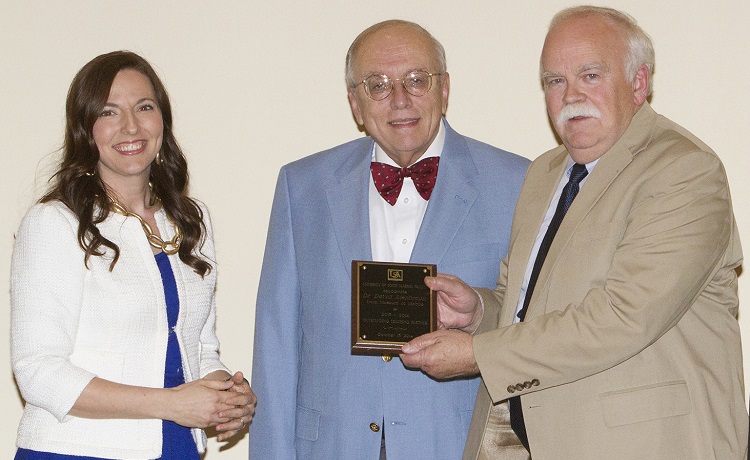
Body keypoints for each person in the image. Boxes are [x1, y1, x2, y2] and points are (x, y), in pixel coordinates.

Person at [401, 6, 746, 459]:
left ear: (639, 83)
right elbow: (527, 304)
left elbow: (622, 317)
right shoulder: (545, 173)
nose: (569, 96)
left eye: (590, 75)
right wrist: (479, 312)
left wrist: (478, 354)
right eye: (554, 81)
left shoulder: (684, 171)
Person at [249, 20, 529, 459]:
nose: (400, 99)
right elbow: (277, 346)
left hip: (458, 447)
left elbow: (538, 330)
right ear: (355, 104)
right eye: (377, 85)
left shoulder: (519, 183)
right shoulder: (301, 187)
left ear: (445, 89)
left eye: (417, 80)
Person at [10, 51, 256, 460]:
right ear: (85, 129)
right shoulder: (53, 223)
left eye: (145, 107)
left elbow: (198, 347)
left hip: (177, 447)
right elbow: (38, 373)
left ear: (163, 119)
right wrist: (172, 404)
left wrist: (227, 392)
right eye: (109, 111)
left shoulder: (192, 220)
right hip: (76, 451)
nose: (131, 126)